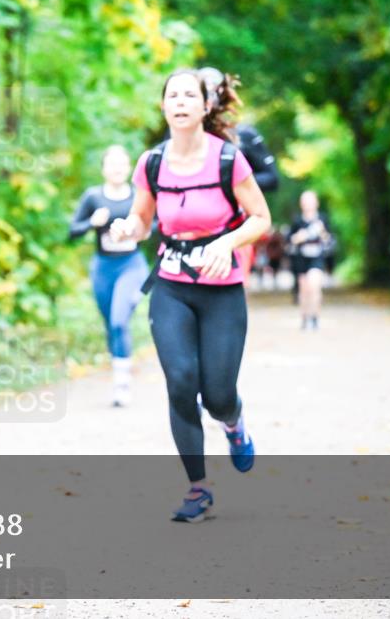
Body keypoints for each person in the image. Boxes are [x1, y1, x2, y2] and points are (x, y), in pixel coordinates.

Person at [110, 69, 271, 523]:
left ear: (205, 106)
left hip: (222, 290)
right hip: (172, 285)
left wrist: (225, 244)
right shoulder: (152, 163)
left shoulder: (227, 160)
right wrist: (129, 228)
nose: (180, 101)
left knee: (218, 393)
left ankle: (233, 424)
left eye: (189, 95)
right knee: (181, 382)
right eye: (172, 95)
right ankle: (198, 488)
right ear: (163, 107)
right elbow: (143, 221)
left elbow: (260, 218)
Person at [69, 144, 150, 407]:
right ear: (103, 168)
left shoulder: (139, 196)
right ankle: (120, 370)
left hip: (132, 265)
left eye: (122, 163)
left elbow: (158, 224)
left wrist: (135, 228)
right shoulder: (93, 197)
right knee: (110, 324)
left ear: (129, 167)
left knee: (118, 320)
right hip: (104, 268)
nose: (116, 168)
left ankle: (122, 385)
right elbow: (72, 231)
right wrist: (92, 222)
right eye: (111, 163)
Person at [198, 67, 280, 283]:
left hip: (235, 227)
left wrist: (230, 185)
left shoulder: (243, 135)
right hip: (189, 230)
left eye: (213, 91)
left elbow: (272, 178)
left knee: (228, 291)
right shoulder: (179, 139)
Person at [288, 190, 332, 330]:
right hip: (301, 258)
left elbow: (328, 240)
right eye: (305, 201)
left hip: (317, 257)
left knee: (315, 285)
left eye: (310, 201)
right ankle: (304, 317)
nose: (308, 204)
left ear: (316, 203)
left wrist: (322, 232)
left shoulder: (322, 219)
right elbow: (290, 240)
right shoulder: (297, 221)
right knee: (304, 289)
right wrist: (298, 237)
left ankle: (315, 317)